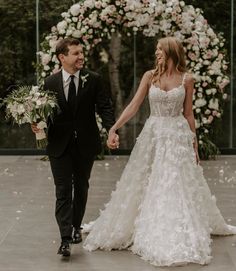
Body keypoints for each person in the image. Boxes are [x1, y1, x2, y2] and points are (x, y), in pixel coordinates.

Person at [83, 36, 236, 266]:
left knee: (173, 181)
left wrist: (194, 144)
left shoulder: (187, 79)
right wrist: (114, 127)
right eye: (156, 50)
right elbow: (134, 105)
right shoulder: (149, 76)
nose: (157, 54)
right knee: (145, 178)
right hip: (153, 134)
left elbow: (188, 114)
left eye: (160, 50)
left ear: (172, 51)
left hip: (176, 136)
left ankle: (171, 226)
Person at [32, 38, 116, 257]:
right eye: (76, 53)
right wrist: (36, 123)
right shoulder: (50, 83)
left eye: (81, 52)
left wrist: (112, 129)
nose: (81, 57)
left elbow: (105, 107)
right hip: (58, 145)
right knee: (62, 191)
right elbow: (43, 113)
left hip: (85, 143)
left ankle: (76, 226)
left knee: (81, 186)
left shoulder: (94, 79)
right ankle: (65, 238)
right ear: (62, 57)